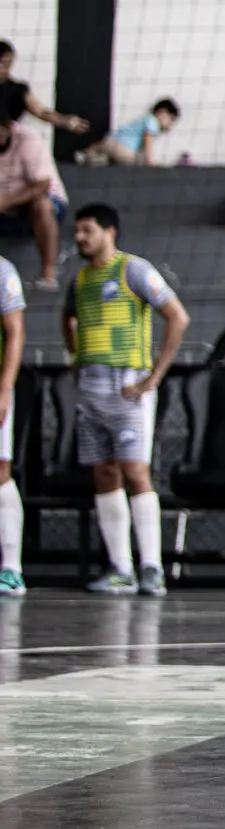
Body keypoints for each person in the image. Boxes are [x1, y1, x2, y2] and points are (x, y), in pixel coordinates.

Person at [63, 205, 189, 597]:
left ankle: (152, 567)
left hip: (127, 387)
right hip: (91, 390)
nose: (80, 238)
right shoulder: (81, 278)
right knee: (103, 473)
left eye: (87, 230)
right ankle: (121, 568)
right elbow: (69, 319)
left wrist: (153, 377)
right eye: (77, 231)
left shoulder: (133, 270)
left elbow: (177, 317)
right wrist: (76, 358)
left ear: (109, 231)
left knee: (135, 471)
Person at [0, 93, 66, 289]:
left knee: (42, 205)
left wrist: (7, 201)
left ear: (8, 127)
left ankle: (48, 274)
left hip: (33, 205)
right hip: (4, 211)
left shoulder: (29, 138)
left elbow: (42, 185)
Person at [0, 255, 26, 596]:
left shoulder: (3, 270)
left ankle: (11, 569)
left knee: (0, 471)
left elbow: (15, 331)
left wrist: (5, 388)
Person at [0, 42, 88, 136]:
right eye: (3, 62)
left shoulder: (17, 90)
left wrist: (66, 121)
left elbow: (42, 112)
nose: (7, 67)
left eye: (9, 63)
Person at [78, 99, 179, 167]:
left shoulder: (143, 119)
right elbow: (148, 138)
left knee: (102, 151)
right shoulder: (153, 122)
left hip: (110, 141)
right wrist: (149, 161)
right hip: (125, 151)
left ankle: (86, 155)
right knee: (136, 162)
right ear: (162, 112)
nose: (170, 124)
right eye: (171, 119)